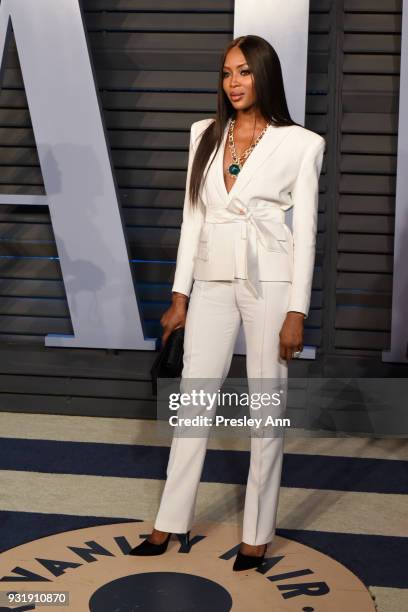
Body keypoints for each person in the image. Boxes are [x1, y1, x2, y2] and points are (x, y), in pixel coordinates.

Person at [129, 34, 325, 571]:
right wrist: (179, 295)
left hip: (271, 283)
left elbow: (304, 233)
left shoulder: (302, 143)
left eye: (243, 72)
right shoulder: (204, 134)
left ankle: (258, 531)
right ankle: (170, 520)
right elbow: (194, 218)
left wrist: (296, 311)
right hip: (212, 279)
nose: (233, 83)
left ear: (264, 75)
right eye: (226, 73)